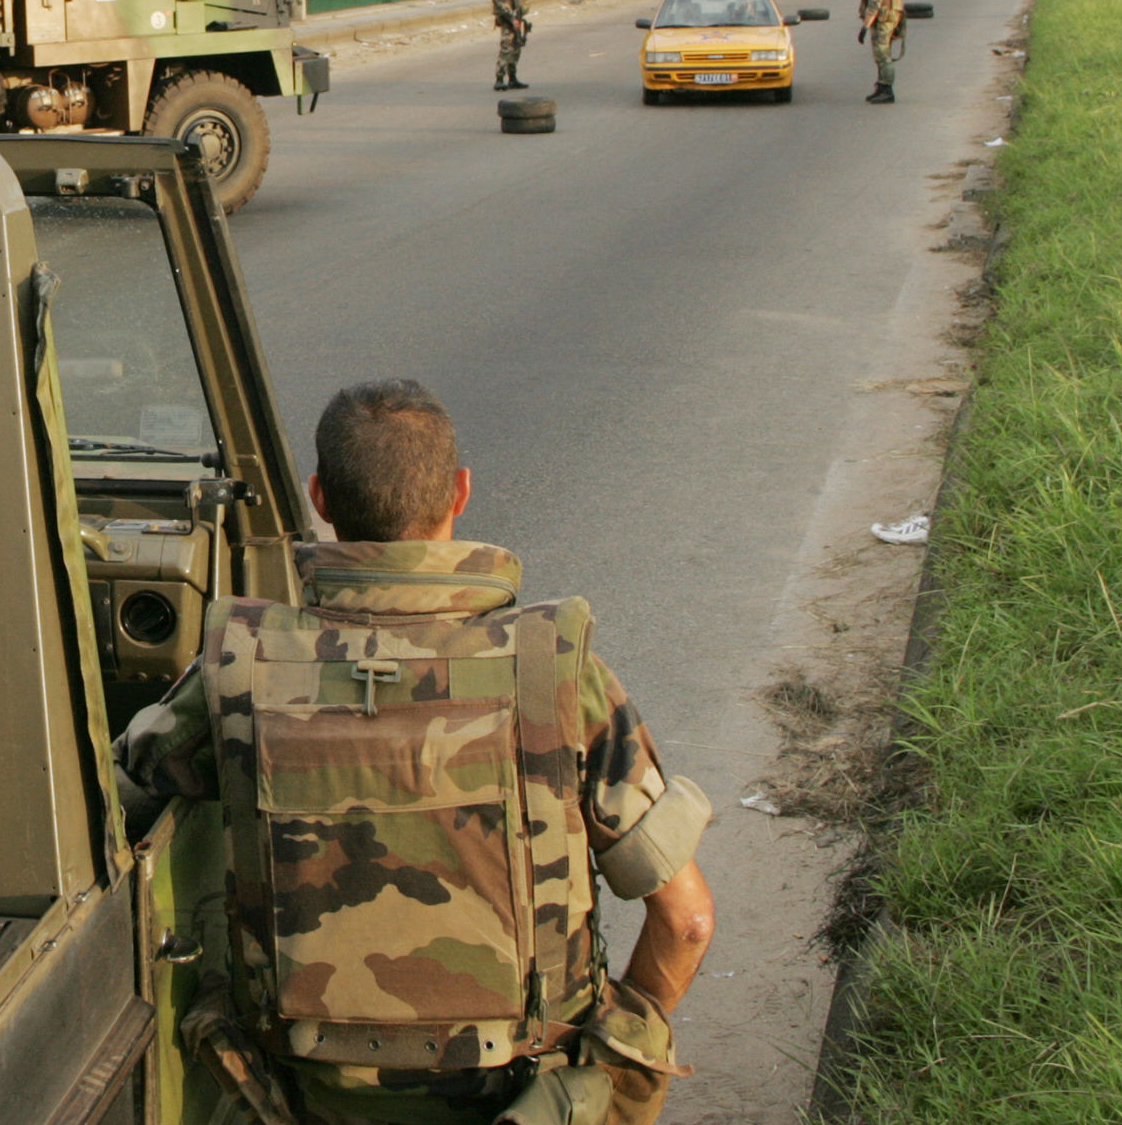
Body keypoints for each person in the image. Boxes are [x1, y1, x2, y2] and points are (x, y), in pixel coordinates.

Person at [119, 380, 715, 1125]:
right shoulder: (553, 669)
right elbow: (687, 919)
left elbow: (127, 785)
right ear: (459, 491)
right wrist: (615, 1050)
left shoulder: (241, 665)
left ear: (319, 498)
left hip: (301, 1100)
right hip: (523, 1098)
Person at [858, 0, 905, 104]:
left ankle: (887, 90)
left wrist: (865, 26)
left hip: (883, 21)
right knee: (883, 55)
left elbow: (874, 4)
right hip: (892, 19)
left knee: (882, 55)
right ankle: (881, 87)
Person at [490, 0, 533, 92]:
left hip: (517, 18)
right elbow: (500, 2)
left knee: (516, 49)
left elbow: (520, 2)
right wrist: (511, 18)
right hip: (508, 19)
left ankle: (512, 78)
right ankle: (499, 79)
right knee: (507, 48)